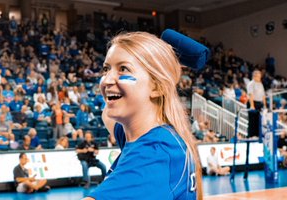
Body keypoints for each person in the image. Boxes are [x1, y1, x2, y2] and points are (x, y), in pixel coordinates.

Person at [85, 32, 201, 199]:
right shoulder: (138, 135)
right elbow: (107, 115)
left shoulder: (154, 153)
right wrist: (163, 53)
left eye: (123, 68)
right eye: (106, 69)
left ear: (157, 87)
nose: (107, 80)